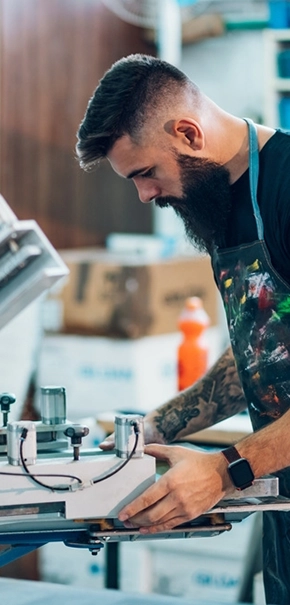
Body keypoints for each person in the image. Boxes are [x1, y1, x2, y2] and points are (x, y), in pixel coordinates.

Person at [76, 54, 290, 605]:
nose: (145, 194)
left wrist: (225, 469)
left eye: (145, 173)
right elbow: (263, 346)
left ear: (188, 133)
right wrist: (156, 427)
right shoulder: (219, 203)